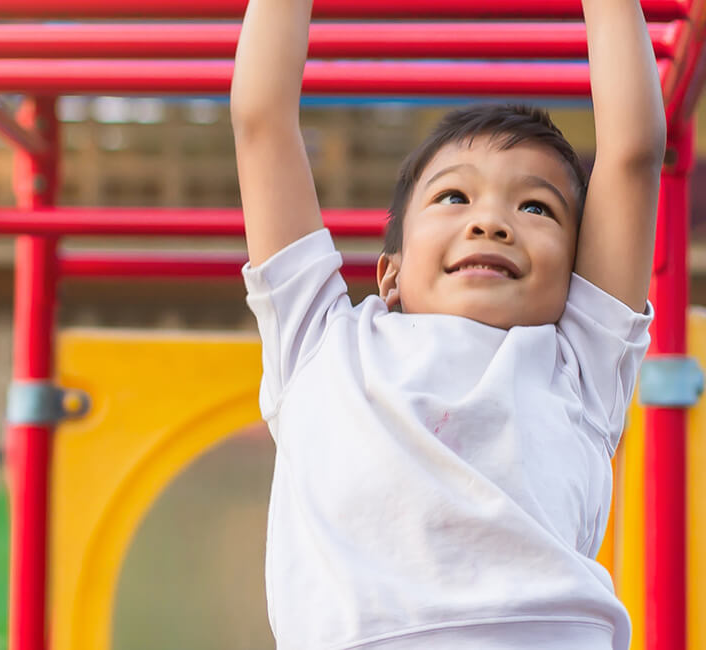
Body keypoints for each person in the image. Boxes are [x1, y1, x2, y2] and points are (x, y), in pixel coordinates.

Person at [230, 0, 665, 648]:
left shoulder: (576, 366)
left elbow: (632, 153)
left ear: (575, 278)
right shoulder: (322, 342)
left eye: (536, 207)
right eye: (454, 197)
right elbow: (261, 122)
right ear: (390, 275)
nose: (491, 221)